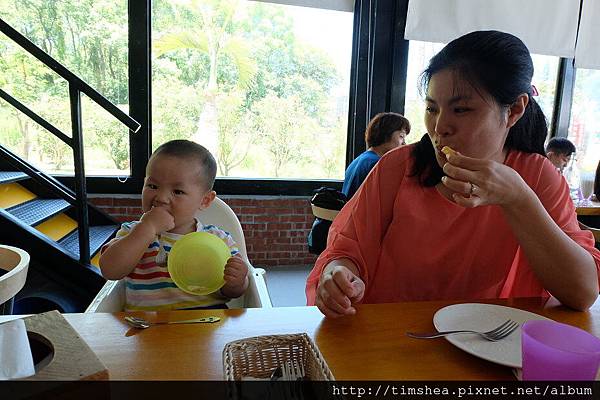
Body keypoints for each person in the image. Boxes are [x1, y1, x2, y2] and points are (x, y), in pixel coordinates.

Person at [306, 30, 600, 318]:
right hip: (390, 336)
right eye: (432, 109)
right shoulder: (398, 167)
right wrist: (339, 277)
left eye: (461, 110)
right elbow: (347, 250)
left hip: (485, 345)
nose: (439, 127)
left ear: (513, 111)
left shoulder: (537, 177)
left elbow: (582, 293)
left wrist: (518, 199)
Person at [100, 140, 248, 311]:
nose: (161, 198)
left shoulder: (219, 240)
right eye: (152, 186)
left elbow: (234, 292)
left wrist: (237, 281)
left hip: (207, 324)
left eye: (177, 191)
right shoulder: (133, 233)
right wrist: (147, 229)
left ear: (205, 200)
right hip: (148, 328)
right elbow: (109, 270)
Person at [342, 112, 411, 199]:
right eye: (401, 136)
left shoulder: (361, 159)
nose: (404, 143)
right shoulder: (377, 164)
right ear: (386, 134)